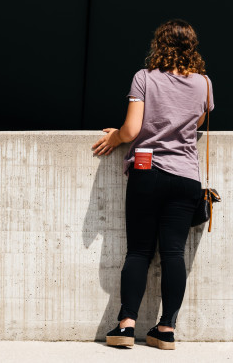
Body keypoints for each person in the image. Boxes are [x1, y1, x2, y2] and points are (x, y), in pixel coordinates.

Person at [91, 19, 213, 350]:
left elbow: (131, 130)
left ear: (158, 45)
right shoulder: (204, 83)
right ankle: (167, 329)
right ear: (191, 46)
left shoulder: (144, 78)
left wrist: (115, 136)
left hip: (149, 172)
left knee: (140, 251)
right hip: (186, 177)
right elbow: (198, 120)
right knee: (174, 252)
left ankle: (127, 326)